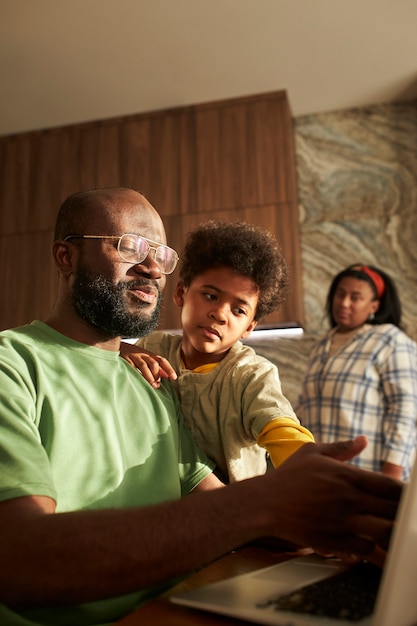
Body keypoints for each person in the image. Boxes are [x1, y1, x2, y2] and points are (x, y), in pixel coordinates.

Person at [0, 189, 402, 626]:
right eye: (129, 246)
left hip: (186, 601)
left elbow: (212, 493)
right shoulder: (13, 364)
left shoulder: (153, 380)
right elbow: (22, 559)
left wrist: (336, 521)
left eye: (161, 253)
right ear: (66, 256)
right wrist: (261, 504)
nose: (152, 267)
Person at [121, 220, 314, 482]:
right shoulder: (152, 347)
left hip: (230, 513)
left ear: (250, 326)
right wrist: (121, 351)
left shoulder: (251, 375)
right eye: (211, 296)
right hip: (159, 503)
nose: (220, 314)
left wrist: (309, 462)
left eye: (239, 310)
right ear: (181, 292)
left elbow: (279, 426)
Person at [297, 264, 417, 481]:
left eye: (355, 297)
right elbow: (306, 407)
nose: (344, 303)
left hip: (369, 475)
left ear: (374, 306)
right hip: (322, 477)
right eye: (340, 294)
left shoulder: (389, 340)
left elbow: (405, 410)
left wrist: (392, 476)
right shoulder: (320, 346)